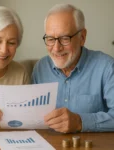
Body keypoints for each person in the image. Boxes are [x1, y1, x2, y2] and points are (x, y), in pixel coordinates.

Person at [32, 3, 114, 133]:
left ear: (82, 37)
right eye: (50, 39)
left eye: (65, 38)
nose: (56, 48)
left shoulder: (107, 67)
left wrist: (80, 122)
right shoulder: (40, 69)